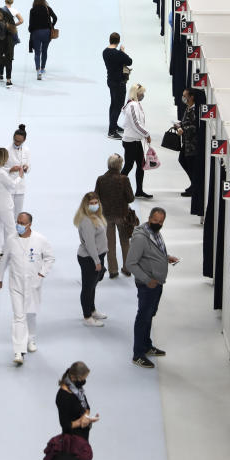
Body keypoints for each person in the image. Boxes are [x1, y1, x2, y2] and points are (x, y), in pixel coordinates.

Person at [0, 212, 55, 365]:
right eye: (18, 222)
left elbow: (50, 258)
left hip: (33, 284)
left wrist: (42, 274)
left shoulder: (40, 240)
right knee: (18, 316)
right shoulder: (11, 239)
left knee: (30, 313)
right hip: (15, 284)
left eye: (22, 223)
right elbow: (5, 259)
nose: (19, 225)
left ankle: (31, 339)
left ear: (29, 224)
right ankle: (18, 351)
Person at [127, 208, 179, 369]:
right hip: (147, 284)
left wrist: (166, 257)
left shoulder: (155, 233)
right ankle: (138, 354)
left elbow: (155, 251)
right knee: (143, 317)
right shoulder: (141, 239)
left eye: (161, 222)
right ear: (149, 218)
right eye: (156, 221)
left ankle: (146, 345)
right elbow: (130, 264)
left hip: (157, 283)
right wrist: (147, 280)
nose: (158, 224)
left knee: (150, 315)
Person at [56, 362, 98, 460]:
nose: (84, 381)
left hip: (82, 436)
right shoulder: (63, 396)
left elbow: (86, 406)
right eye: (83, 379)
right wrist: (81, 421)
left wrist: (87, 416)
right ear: (74, 377)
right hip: (73, 440)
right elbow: (65, 425)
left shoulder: (77, 389)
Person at [94, 153, 134, 278]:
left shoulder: (100, 179)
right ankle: (127, 268)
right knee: (125, 242)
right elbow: (131, 198)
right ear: (119, 166)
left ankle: (113, 270)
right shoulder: (124, 179)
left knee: (110, 244)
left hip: (106, 216)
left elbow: (96, 197)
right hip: (122, 215)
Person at [75, 192, 108, 327]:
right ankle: (87, 316)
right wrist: (97, 261)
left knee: (93, 285)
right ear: (86, 205)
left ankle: (92, 310)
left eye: (96, 203)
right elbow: (90, 244)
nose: (94, 205)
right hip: (89, 258)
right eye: (91, 203)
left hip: (98, 255)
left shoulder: (97, 216)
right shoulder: (87, 221)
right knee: (87, 287)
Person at [0, 147, 22, 260]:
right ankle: (15, 252)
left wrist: (9, 170)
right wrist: (20, 177)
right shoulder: (1, 173)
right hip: (4, 205)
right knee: (11, 228)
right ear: (4, 158)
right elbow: (12, 185)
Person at [119, 82, 152, 199]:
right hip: (130, 141)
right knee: (128, 166)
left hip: (136, 140)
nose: (143, 95)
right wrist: (146, 134)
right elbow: (135, 123)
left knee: (140, 165)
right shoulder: (132, 105)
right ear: (136, 93)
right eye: (142, 93)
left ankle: (139, 190)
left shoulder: (136, 104)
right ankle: (117, 189)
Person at [102, 32, 132, 139]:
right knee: (118, 106)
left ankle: (113, 125)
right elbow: (129, 61)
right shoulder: (119, 54)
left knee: (113, 104)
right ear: (118, 41)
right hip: (119, 82)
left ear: (109, 40)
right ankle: (111, 131)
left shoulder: (105, 52)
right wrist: (123, 51)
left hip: (110, 81)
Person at [28, 0, 57, 80]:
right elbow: (55, 18)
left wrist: (31, 30)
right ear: (43, 1)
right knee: (44, 51)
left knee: (37, 52)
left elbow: (31, 23)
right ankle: (43, 68)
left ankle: (38, 71)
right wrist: (51, 25)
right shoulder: (47, 9)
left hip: (36, 33)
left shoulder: (32, 10)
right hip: (46, 32)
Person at [176, 89, 199, 197]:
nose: (183, 97)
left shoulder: (195, 110)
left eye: (185, 96)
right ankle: (193, 184)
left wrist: (183, 129)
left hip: (192, 144)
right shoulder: (188, 108)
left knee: (189, 164)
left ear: (191, 97)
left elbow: (195, 127)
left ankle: (195, 186)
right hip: (186, 142)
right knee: (183, 161)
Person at [5, 124, 31, 216]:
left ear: (24, 140)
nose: (17, 143)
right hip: (9, 184)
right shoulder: (6, 150)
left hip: (20, 186)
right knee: (8, 212)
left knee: (18, 213)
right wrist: (10, 169)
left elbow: (29, 166)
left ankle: (16, 230)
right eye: (15, 140)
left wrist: (26, 168)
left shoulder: (26, 150)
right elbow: (0, 169)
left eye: (19, 141)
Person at [0, 0, 18, 87]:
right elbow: (15, 25)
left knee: (0, 55)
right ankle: (8, 80)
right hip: (10, 40)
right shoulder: (10, 16)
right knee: (9, 58)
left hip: (0, 39)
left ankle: (1, 73)